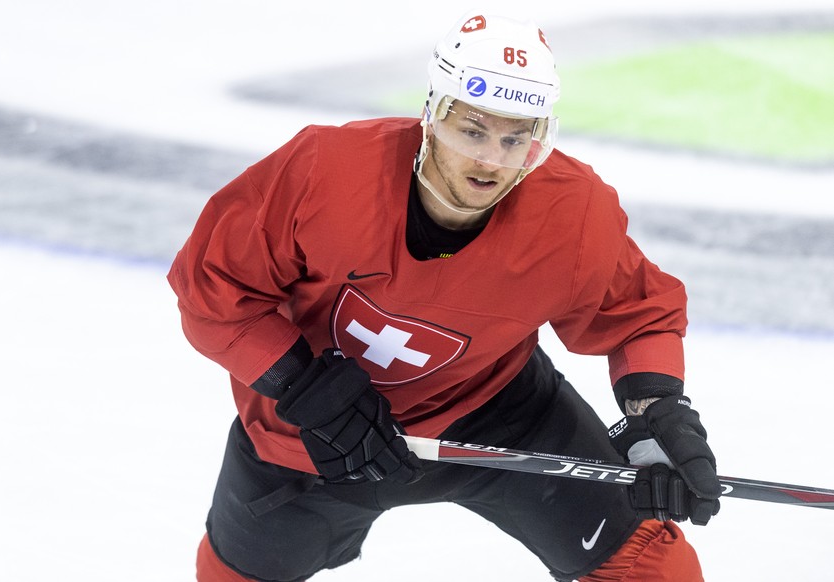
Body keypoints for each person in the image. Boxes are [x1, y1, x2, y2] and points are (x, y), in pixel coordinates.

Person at [168, 11, 722, 582]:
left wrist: (657, 410)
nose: (491, 160)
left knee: (653, 568)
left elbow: (637, 315)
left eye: (516, 139)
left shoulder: (574, 215)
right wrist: (303, 388)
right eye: (473, 131)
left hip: (499, 412)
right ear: (432, 115)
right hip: (309, 434)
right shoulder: (323, 172)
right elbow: (213, 287)